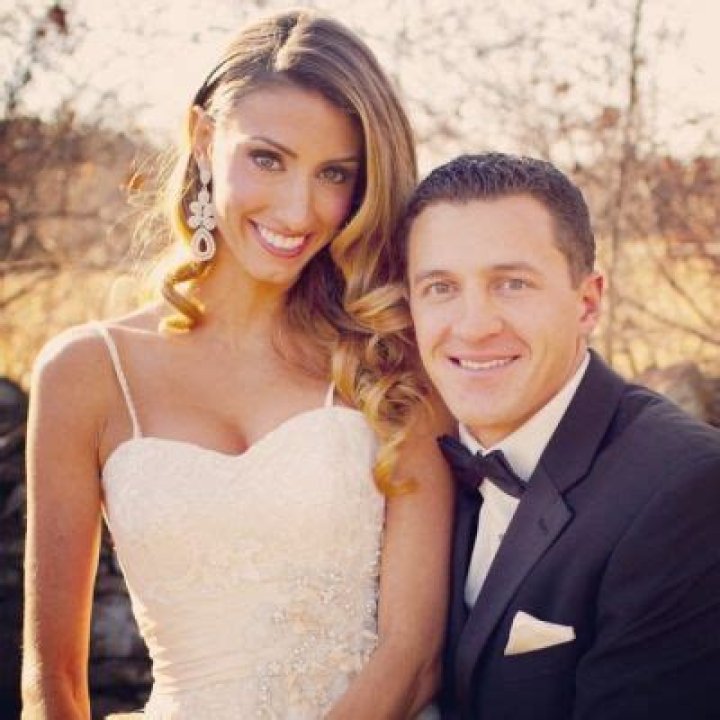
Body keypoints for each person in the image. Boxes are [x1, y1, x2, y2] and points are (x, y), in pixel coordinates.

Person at [21, 10, 453, 719]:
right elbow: (52, 683)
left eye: (333, 174)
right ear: (203, 140)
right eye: (268, 159)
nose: (297, 210)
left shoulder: (389, 363)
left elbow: (412, 657)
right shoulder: (86, 372)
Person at [403, 152, 720, 720]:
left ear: (587, 302)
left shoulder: (685, 490)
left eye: (512, 284)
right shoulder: (409, 465)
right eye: (441, 287)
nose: (474, 326)